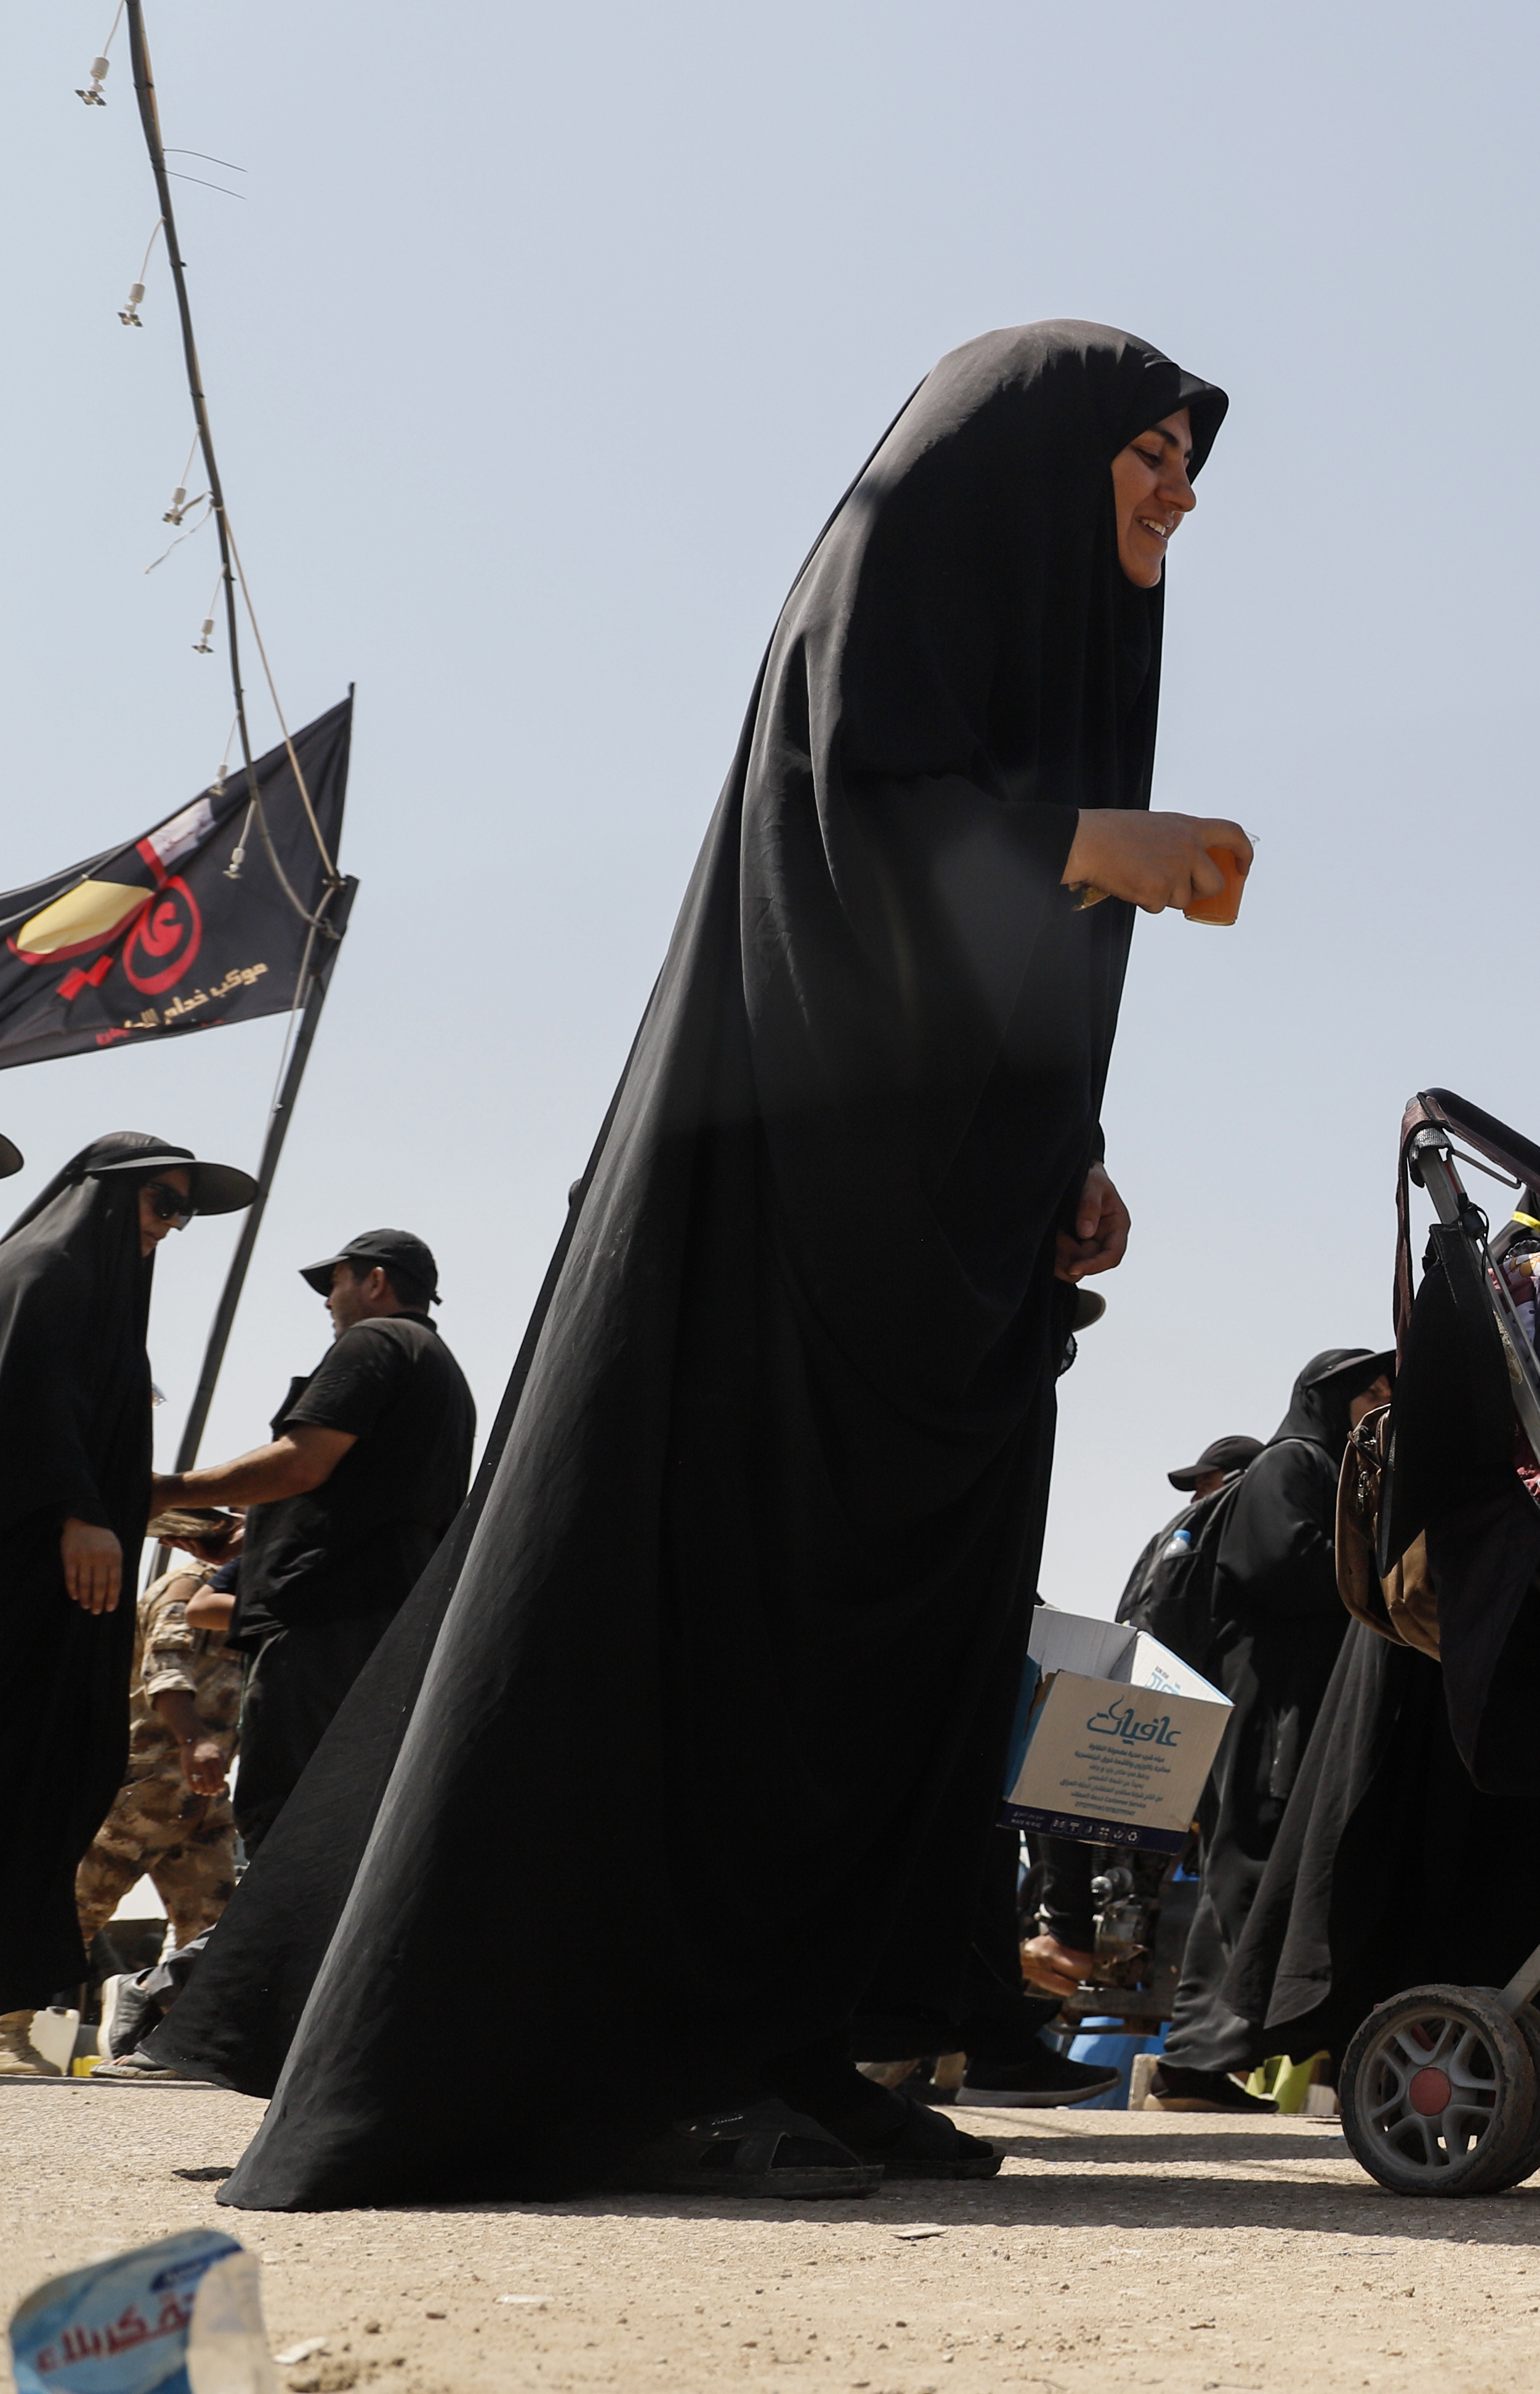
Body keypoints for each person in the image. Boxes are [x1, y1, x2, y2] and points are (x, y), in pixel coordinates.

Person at [155, 322, 1248, 2207]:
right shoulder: (891, 590)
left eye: (1184, 470)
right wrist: (1085, 841)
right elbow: (838, 840)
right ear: (1022, 471)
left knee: (875, 1653)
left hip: (940, 1266)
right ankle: (630, 2053)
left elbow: (1004, 983)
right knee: (727, 1612)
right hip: (782, 1241)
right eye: (1147, 456)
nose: (1177, 497)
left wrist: (1062, 1150)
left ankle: (786, 2038)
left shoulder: (1048, 666)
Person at [1145, 1134, 1540, 2113]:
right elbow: (1287, 1567)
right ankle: (1214, 2060)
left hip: (1412, 1655)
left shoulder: (1506, 1281)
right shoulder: (1528, 1287)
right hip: (1396, 1661)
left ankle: (1298, 2055)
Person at [1, 1134, 252, 2076]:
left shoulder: (95, 1297)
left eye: (185, 1211)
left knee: (46, 1780)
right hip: (29, 1585)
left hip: (64, 1589)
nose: (173, 1226)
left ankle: (17, 2011)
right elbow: (23, 1403)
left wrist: (170, 1516)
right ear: (105, 1199)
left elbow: (78, 1428)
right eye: (162, 1204)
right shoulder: (45, 1268)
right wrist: (77, 1509)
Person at [150, 1232, 475, 1858]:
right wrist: (255, 1541)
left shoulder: (374, 1340)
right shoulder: (437, 1364)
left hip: (326, 1617)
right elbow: (369, 1494)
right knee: (354, 1817)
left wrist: (170, 1490)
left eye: (336, 1282)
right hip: (390, 1613)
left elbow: (302, 1463)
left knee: (289, 1817)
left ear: (375, 1281)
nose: (328, 1300)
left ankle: (278, 1954)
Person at [1150, 1346, 1393, 2095]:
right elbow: (1281, 1561)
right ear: (1332, 1399)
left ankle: (1207, 2055)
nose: (1385, 1406)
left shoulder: (1335, 1468)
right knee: (1251, 1859)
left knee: (1262, 1862)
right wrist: (1383, 1568)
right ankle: (1201, 2052)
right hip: (1272, 1706)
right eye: (1373, 1393)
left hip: (1296, 1702)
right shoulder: (1293, 1462)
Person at [65, 1522, 252, 2073]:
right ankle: (8, 2029)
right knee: (77, 1910)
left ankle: (173, 2040)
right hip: (147, 1786)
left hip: (203, 1799)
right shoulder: (186, 1589)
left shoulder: (238, 1597)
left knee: (214, 1923)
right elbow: (163, 1667)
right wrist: (194, 1740)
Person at [1113, 1433, 1267, 1660]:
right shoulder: (1174, 1541)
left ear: (1239, 1482)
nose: (1195, 1500)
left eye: (1205, 1486)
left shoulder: (1256, 1544)